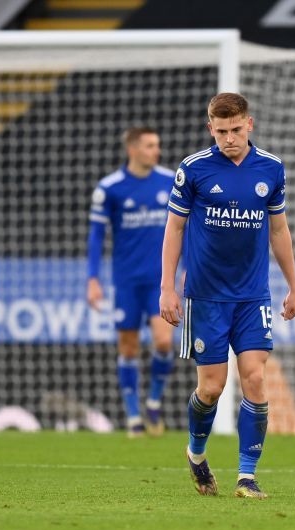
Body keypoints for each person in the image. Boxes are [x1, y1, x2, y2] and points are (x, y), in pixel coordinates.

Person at [160, 93, 295, 499]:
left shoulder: (271, 169)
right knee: (212, 389)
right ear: (210, 128)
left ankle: (246, 476)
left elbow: (278, 230)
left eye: (236, 130)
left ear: (249, 125)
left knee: (255, 377)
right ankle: (197, 453)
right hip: (205, 296)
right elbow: (174, 229)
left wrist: (294, 285)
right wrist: (167, 287)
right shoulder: (194, 169)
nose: (229, 138)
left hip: (253, 295)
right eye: (221, 131)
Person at [87, 127, 176, 437]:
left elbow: (184, 228)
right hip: (126, 281)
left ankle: (153, 402)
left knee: (164, 341)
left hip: (159, 280)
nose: (157, 151)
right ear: (133, 149)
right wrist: (93, 279)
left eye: (158, 145)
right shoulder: (110, 188)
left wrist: (186, 267)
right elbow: (97, 235)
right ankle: (134, 416)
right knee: (128, 348)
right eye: (151, 145)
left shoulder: (169, 181)